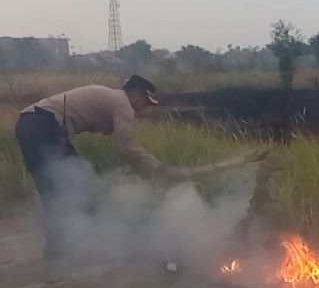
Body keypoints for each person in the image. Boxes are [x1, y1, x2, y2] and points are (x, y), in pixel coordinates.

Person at [15, 75, 249, 260]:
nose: (144, 108)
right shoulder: (122, 103)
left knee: (63, 188)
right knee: (69, 189)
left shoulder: (109, 97)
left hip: (32, 125)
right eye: (145, 101)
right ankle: (69, 250)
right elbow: (127, 148)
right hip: (43, 128)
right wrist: (157, 168)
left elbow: (118, 146)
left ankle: (67, 248)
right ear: (136, 94)